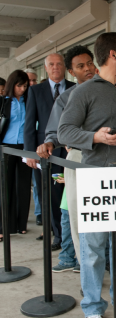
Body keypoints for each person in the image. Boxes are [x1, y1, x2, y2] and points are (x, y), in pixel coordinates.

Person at [58, 32, 116, 318]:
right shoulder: (83, 92)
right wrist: (95, 137)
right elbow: (64, 132)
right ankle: (93, 307)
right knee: (93, 248)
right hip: (95, 176)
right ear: (112, 55)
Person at [37, 45, 97, 272]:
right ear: (72, 72)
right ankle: (86, 271)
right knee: (78, 216)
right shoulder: (67, 97)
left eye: (90, 63)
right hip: (78, 159)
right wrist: (49, 144)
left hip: (111, 160)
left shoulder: (112, 90)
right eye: (80, 66)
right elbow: (54, 131)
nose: (87, 69)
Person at [24, 53, 75, 250]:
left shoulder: (75, 88)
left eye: (59, 64)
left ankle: (73, 235)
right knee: (52, 194)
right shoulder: (36, 91)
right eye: (51, 64)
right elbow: (29, 124)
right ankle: (58, 237)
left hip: (70, 150)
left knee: (70, 193)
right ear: (46, 68)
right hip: (45, 151)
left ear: (65, 67)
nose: (55, 67)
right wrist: (30, 153)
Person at [0, 70, 31, 242]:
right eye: (19, 86)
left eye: (25, 86)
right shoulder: (4, 101)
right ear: (12, 85)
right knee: (5, 186)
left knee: (24, 185)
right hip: (6, 145)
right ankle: (3, 225)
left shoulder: (29, 100)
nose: (22, 89)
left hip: (24, 146)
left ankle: (21, 224)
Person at [24, 68, 41, 225]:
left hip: (40, 146)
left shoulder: (38, 94)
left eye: (34, 80)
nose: (31, 83)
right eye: (28, 80)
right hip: (25, 146)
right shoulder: (20, 99)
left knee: (37, 182)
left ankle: (39, 213)